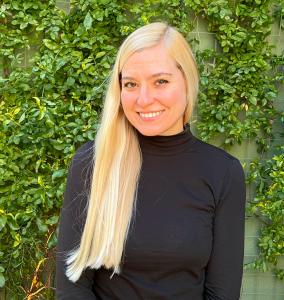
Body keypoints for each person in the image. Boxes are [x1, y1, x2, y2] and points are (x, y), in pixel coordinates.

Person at [56, 22, 246, 299]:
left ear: (188, 81)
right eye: (131, 84)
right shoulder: (92, 163)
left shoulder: (222, 172)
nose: (143, 99)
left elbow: (222, 291)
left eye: (160, 81)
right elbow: (72, 287)